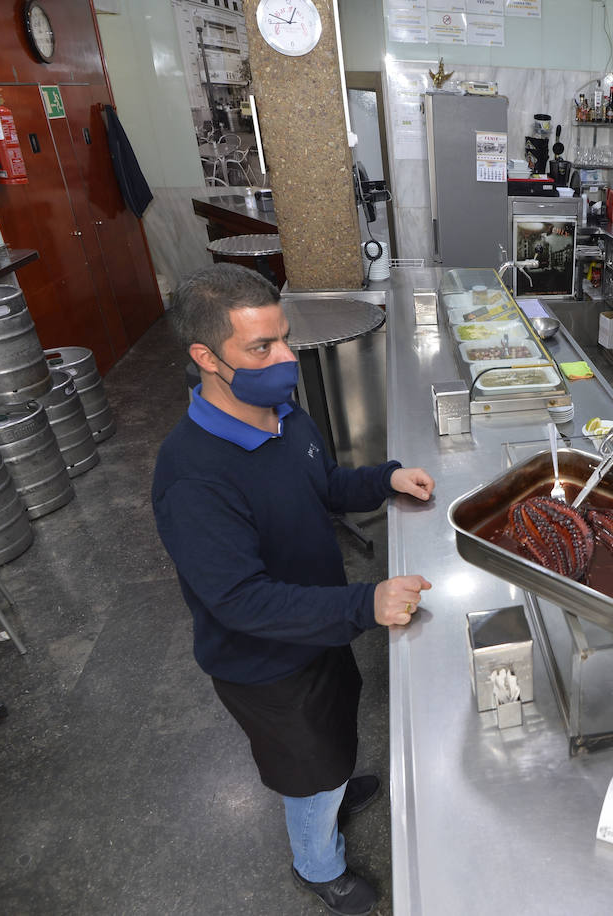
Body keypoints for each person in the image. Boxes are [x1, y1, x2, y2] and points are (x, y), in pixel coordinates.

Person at [152, 264, 435, 916]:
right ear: (206, 357)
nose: (286, 359)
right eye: (262, 348)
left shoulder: (281, 414)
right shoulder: (193, 478)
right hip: (266, 664)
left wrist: (386, 480)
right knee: (306, 772)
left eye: (283, 338)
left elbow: (326, 485)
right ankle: (318, 863)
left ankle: (336, 782)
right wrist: (364, 604)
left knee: (336, 726)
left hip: (318, 625)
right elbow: (240, 601)